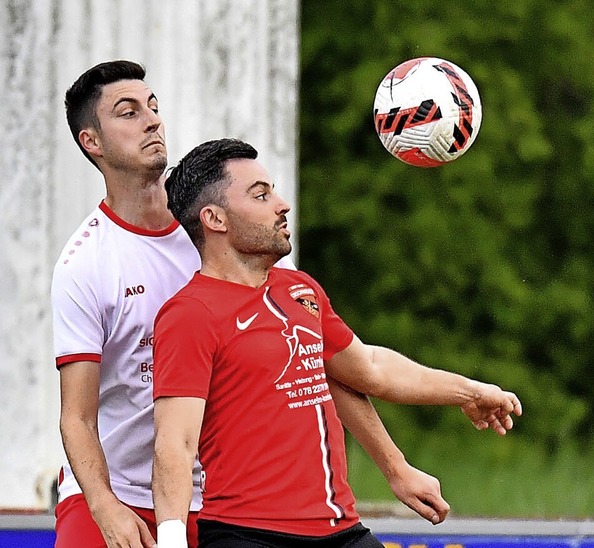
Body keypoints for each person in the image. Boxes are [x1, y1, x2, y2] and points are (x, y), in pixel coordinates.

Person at [52, 59, 511, 548]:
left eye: (154, 107)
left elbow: (327, 365)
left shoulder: (237, 243)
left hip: (215, 497)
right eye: (128, 112)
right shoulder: (86, 265)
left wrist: (396, 465)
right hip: (120, 488)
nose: (152, 120)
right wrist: (104, 507)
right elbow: (77, 417)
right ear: (92, 142)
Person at [151, 138, 523, 547]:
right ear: (214, 219)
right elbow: (175, 442)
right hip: (248, 534)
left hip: (340, 530)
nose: (282, 204)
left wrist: (468, 392)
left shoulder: (300, 289)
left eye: (273, 190)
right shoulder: (190, 312)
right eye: (261, 195)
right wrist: (171, 541)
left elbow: (369, 370)